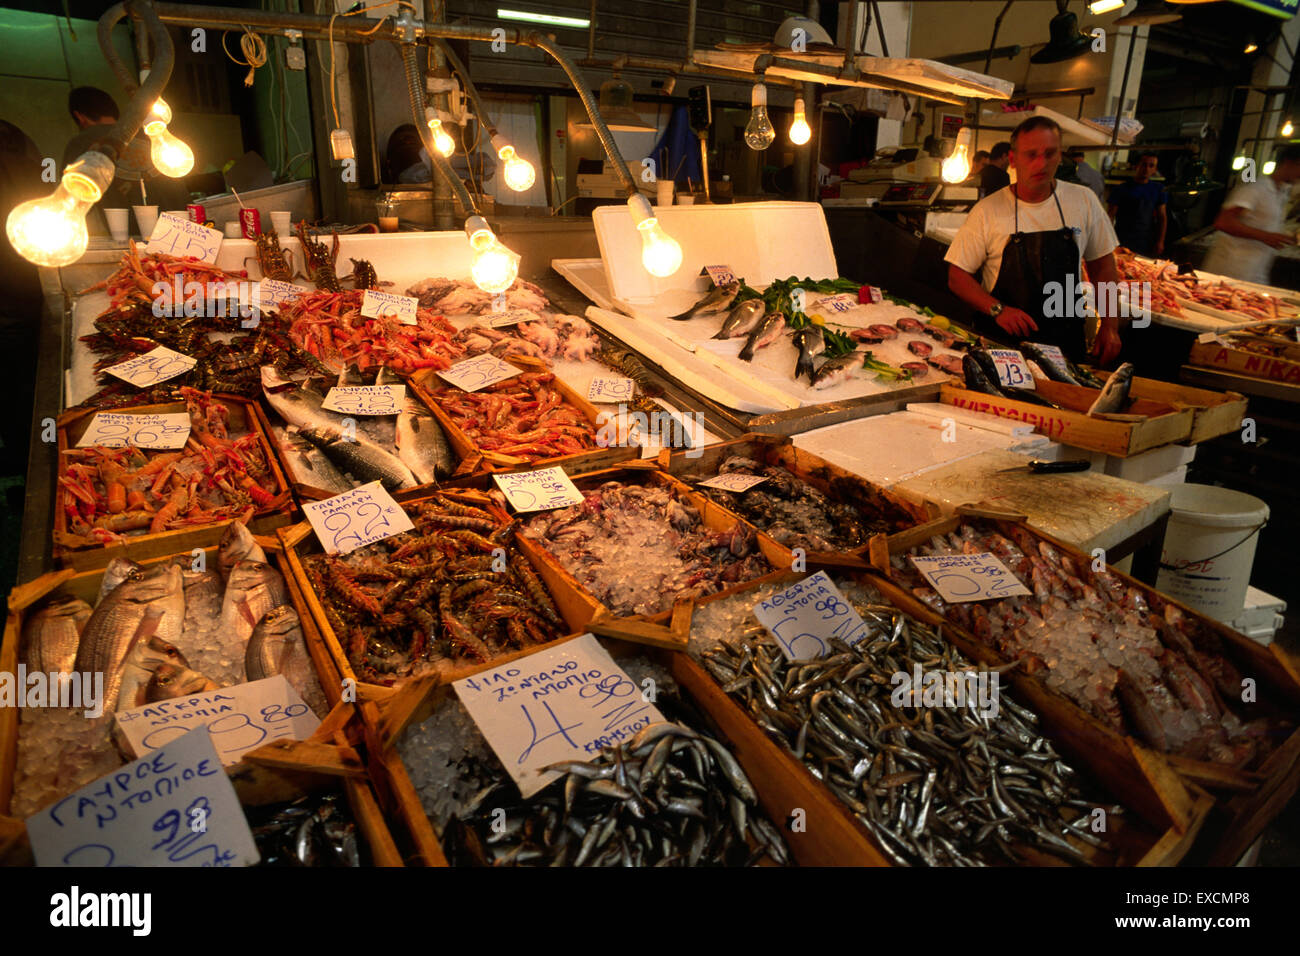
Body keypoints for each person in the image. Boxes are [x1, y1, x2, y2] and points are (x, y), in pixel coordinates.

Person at [945, 115, 1124, 365]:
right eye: (1031, 155)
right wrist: (998, 309)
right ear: (1013, 160)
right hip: (1003, 345)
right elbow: (957, 277)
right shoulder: (988, 211)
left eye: (1050, 153)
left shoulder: (1083, 200)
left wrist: (1110, 325)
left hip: (1065, 344)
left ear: (1060, 156)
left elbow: (1103, 267)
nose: (1041, 163)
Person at [63, 86, 187, 232]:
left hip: (123, 243)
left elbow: (70, 202)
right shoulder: (156, 136)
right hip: (183, 234)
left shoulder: (81, 143)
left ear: (80, 117)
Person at [1201, 144, 1300, 284]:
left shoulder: (1283, 193)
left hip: (1255, 271)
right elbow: (1223, 222)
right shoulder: (1255, 188)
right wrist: (1266, 236)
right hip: (1230, 270)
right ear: (1290, 163)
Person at [1107, 152, 1167, 257]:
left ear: (1154, 170)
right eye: (1144, 164)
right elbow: (1110, 216)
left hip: (1145, 240)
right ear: (1136, 166)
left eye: (1151, 166)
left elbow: (1162, 217)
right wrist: (1107, 239)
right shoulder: (1121, 189)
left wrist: (1160, 241)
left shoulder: (1158, 189)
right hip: (1121, 238)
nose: (1147, 169)